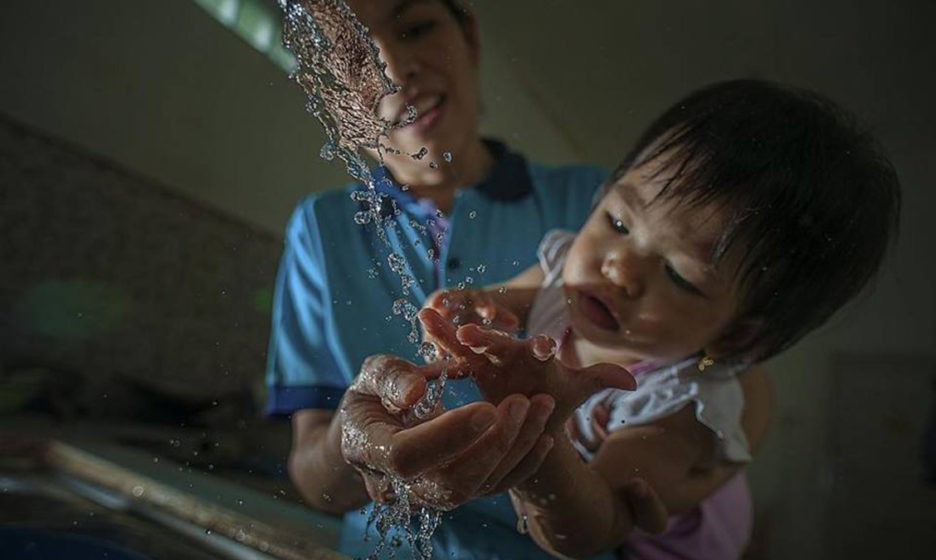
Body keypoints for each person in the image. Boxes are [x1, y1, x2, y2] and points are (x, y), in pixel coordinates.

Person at [407, 79, 901, 558]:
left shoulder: (681, 406)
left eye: (680, 274)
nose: (619, 267)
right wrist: (468, 309)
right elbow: (501, 304)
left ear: (735, 335)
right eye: (619, 222)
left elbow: (587, 532)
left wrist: (541, 433)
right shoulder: (566, 276)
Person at [266, 1, 671, 558]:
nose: (392, 67)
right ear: (327, 90)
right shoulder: (321, 227)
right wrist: (353, 441)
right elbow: (315, 479)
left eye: (417, 27)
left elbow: (701, 360)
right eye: (351, 53)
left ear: (470, 39)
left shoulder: (600, 209)